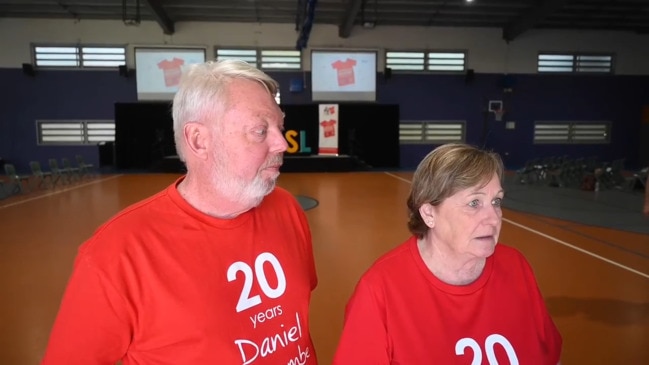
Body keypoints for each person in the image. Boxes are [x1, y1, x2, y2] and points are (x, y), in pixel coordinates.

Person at [41, 60, 319, 365]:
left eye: (279, 127)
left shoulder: (287, 209)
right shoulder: (116, 254)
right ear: (199, 140)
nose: (282, 143)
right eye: (260, 130)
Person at [333, 143, 562, 365]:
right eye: (474, 203)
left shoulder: (516, 266)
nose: (493, 218)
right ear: (429, 213)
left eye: (496, 201)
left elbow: (550, 357)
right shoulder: (379, 290)